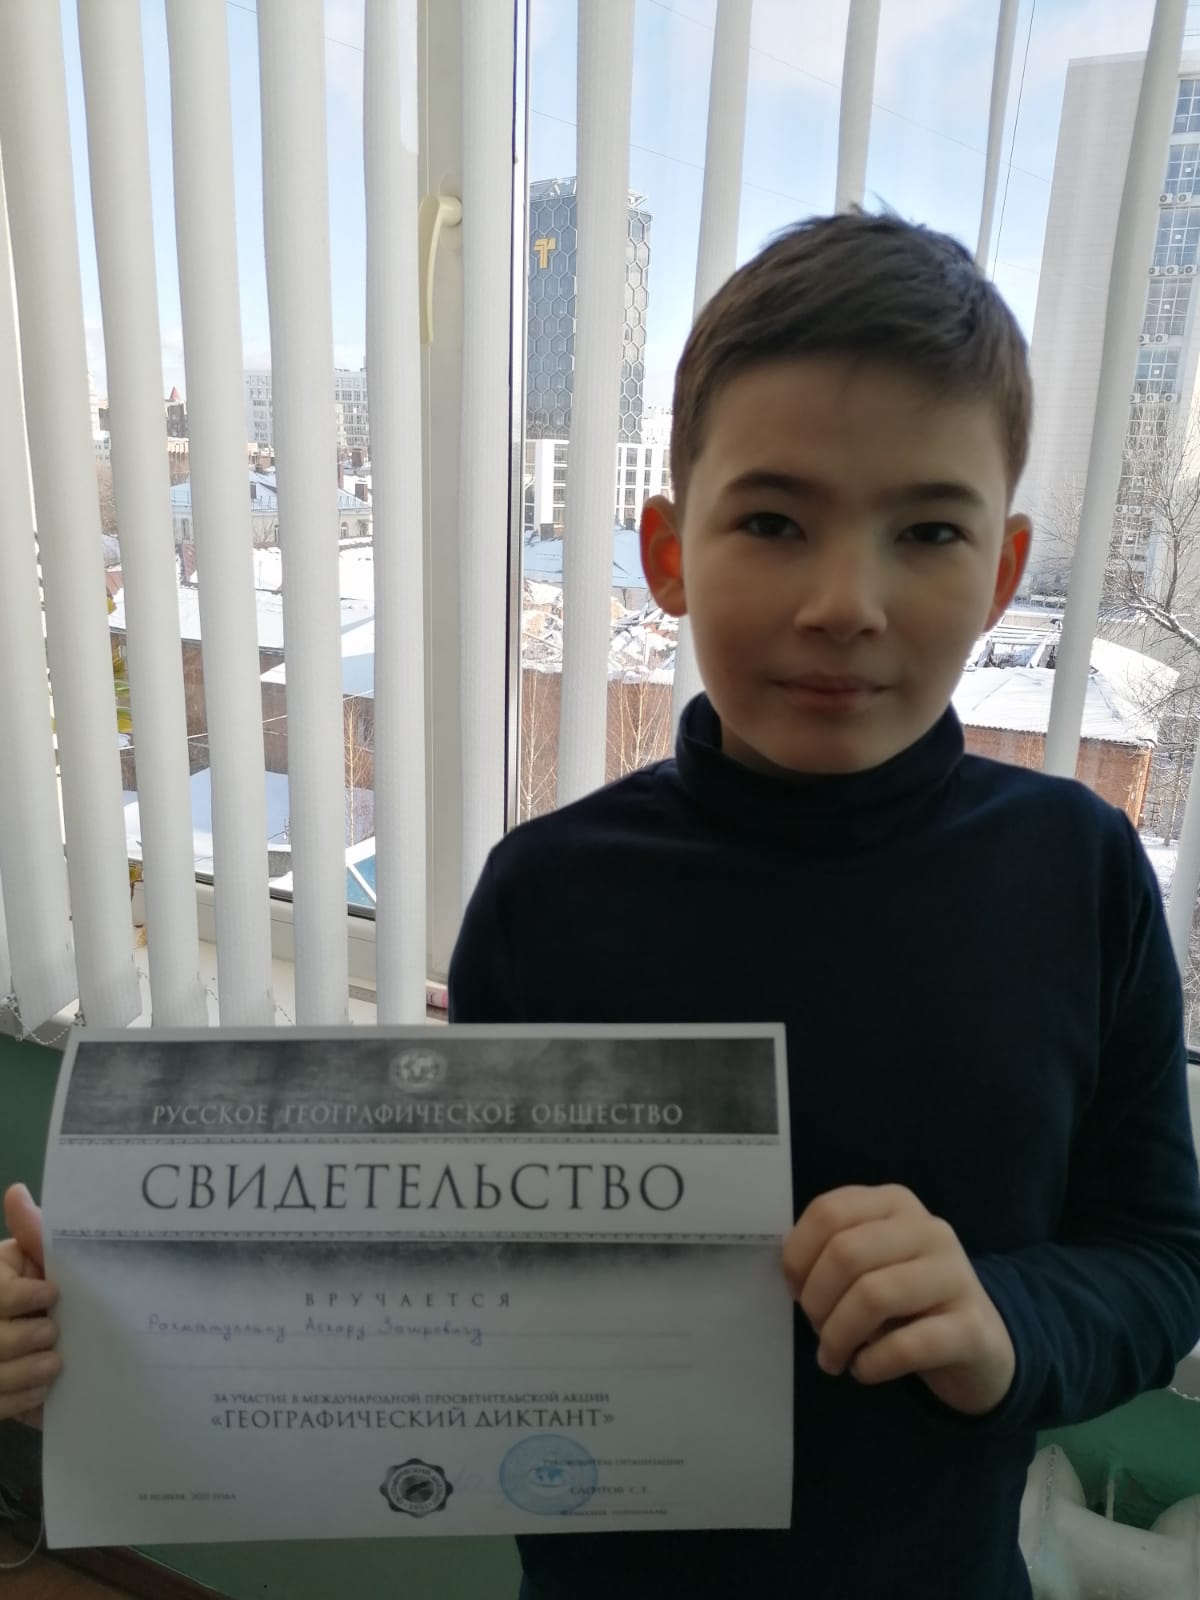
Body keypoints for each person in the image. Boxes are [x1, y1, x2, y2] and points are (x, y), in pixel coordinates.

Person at [3, 212, 1200, 1598]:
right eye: (773, 521)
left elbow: (1157, 1258)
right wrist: (108, 1325)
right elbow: (449, 1288)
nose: (845, 601)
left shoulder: (1079, 874)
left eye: (927, 529)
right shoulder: (550, 896)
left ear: (1001, 573)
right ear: (667, 554)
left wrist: (1007, 1318)